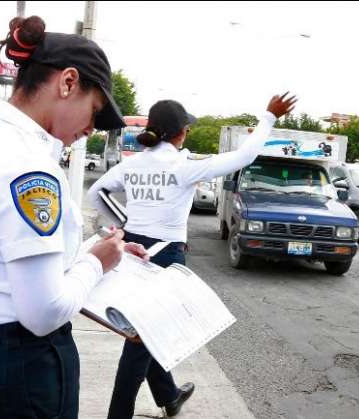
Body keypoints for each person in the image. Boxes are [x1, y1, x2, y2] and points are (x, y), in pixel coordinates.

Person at [0, 16, 146, 418]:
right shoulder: (28, 166)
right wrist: (97, 262)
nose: (91, 130)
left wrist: (95, 252)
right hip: (17, 371)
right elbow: (42, 312)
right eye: (94, 112)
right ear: (67, 82)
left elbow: (5, 248)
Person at [88, 93, 297, 419]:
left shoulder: (132, 164)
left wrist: (125, 223)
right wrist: (269, 117)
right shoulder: (184, 167)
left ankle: (169, 396)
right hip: (165, 256)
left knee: (146, 332)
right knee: (139, 341)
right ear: (181, 131)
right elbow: (244, 156)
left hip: (132, 252)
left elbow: (95, 193)